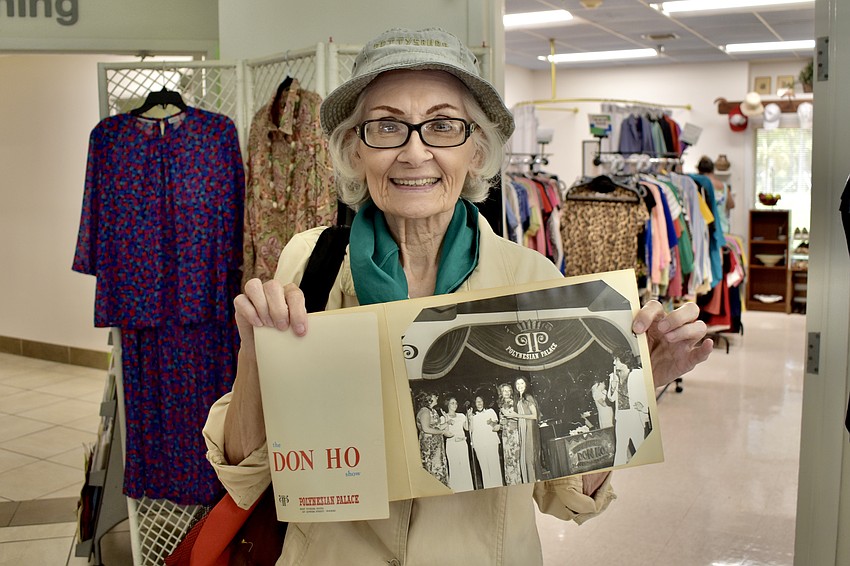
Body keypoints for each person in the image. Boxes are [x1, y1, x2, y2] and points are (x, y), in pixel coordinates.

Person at [202, 27, 713, 565]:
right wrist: (254, 357)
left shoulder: (531, 279)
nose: (414, 152)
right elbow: (244, 472)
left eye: (442, 126)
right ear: (355, 148)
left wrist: (641, 380)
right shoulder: (309, 263)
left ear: (476, 148)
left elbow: (567, 498)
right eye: (387, 126)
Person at [608, 350, 651, 466]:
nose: (614, 363)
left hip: (635, 416)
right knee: (620, 450)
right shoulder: (613, 376)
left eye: (616, 360)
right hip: (621, 417)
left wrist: (644, 405)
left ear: (624, 360)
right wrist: (612, 387)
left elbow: (648, 391)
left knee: (640, 446)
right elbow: (611, 398)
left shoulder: (639, 374)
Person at [467, 395, 504, 489]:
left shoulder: (490, 411)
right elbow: (470, 430)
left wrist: (491, 423)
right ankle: (488, 488)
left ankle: (499, 487)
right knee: (484, 467)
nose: (479, 403)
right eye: (477, 401)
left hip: (491, 442)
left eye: (481, 401)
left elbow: (496, 425)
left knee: (494, 465)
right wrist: (469, 418)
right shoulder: (472, 415)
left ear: (484, 402)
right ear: (474, 404)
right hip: (479, 444)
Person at [415, 391, 451, 487]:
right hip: (429, 445)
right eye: (435, 396)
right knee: (432, 467)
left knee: (438, 466)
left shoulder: (433, 411)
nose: (437, 398)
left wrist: (447, 422)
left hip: (437, 445)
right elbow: (426, 429)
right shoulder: (425, 411)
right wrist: (442, 432)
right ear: (429, 399)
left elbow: (437, 427)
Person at [442, 396, 474, 492]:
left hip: (462, 444)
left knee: (465, 466)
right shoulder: (443, 417)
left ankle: (468, 489)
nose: (455, 405)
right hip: (452, 444)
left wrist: (469, 417)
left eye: (456, 403)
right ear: (447, 404)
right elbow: (446, 434)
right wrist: (447, 421)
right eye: (452, 403)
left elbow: (468, 429)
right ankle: (457, 491)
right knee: (454, 467)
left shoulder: (461, 416)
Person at [697, 155, 735, 235]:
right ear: (713, 169)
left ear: (699, 171)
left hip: (707, 228)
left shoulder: (700, 185)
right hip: (723, 227)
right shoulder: (724, 187)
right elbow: (731, 205)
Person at [498, 382, 522, 485]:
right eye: (504, 391)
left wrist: (509, 416)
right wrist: (501, 423)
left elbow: (518, 417)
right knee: (508, 458)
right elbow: (503, 421)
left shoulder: (514, 402)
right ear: (501, 393)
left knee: (515, 457)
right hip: (505, 434)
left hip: (514, 433)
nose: (506, 393)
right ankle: (511, 482)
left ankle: (518, 481)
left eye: (508, 390)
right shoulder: (501, 404)